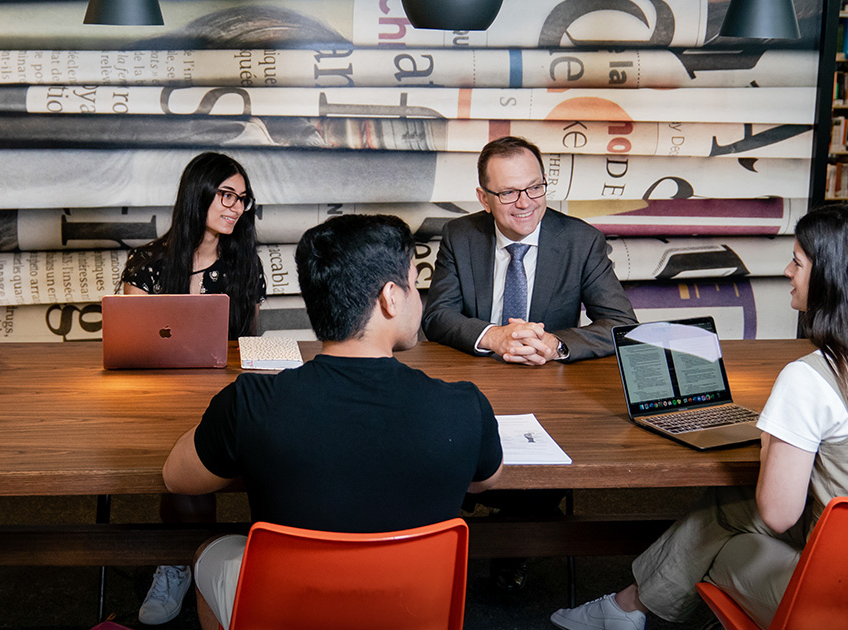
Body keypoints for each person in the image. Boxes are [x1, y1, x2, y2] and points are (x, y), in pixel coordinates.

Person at [162, 214, 504, 630]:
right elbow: (486, 480)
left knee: (208, 552)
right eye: (415, 283)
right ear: (390, 297)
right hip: (412, 612)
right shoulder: (465, 406)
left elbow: (178, 479)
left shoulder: (251, 401)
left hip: (291, 611)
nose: (419, 297)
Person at [550, 203, 848, 630]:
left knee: (711, 545)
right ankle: (626, 607)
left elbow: (779, 514)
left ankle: (631, 607)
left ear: (829, 279)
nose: (786, 271)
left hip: (828, 597)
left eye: (797, 262)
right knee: (728, 504)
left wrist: (772, 440)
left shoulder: (810, 379)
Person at [120, 151, 266, 625]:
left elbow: (250, 345)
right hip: (157, 396)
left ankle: (217, 559)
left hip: (223, 390)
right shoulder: (148, 262)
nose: (235, 207)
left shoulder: (244, 264)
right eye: (226, 194)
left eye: (242, 199)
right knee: (182, 443)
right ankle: (180, 561)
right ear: (197, 193)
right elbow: (130, 347)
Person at [422, 135, 637, 365]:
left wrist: (556, 345)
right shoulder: (460, 236)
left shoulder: (582, 241)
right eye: (508, 193)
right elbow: (438, 315)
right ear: (484, 199)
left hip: (551, 377)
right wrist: (494, 336)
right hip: (478, 372)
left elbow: (622, 324)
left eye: (534, 187)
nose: (525, 203)